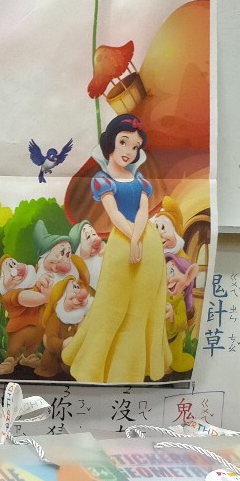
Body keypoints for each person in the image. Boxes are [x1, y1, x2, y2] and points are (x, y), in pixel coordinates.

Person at [60, 113, 172, 383]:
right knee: (113, 304)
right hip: (122, 244)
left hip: (147, 243)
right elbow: (113, 214)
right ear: (111, 142)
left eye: (135, 146)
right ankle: (98, 364)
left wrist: (138, 239)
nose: (129, 151)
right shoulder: (103, 180)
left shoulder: (141, 180)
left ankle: (137, 365)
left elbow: (143, 211)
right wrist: (132, 238)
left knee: (143, 305)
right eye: (123, 142)